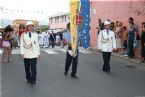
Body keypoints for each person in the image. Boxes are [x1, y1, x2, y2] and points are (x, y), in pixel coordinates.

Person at [20, 21, 40, 85]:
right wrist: (22, 53)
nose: (31, 27)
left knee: (33, 67)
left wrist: (38, 53)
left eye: (32, 26)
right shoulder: (23, 35)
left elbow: (37, 44)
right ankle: (28, 78)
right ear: (27, 27)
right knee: (27, 67)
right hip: (26, 53)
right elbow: (21, 44)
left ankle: (33, 79)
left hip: (34, 53)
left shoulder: (36, 34)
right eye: (29, 26)